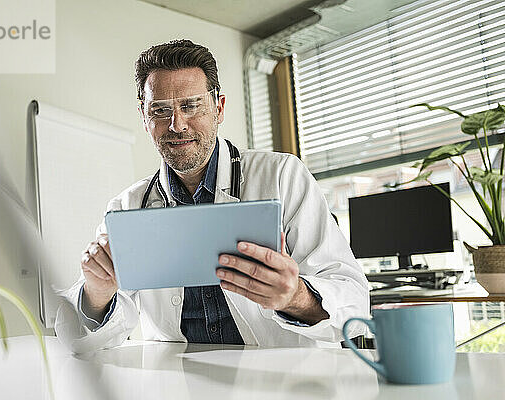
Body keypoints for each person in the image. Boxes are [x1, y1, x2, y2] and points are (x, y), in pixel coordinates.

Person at [55, 40, 369, 353]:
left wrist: (295, 296)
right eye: (160, 110)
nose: (176, 125)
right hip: (180, 381)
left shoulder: (282, 176)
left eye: (190, 106)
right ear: (143, 115)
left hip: (281, 381)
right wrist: (97, 294)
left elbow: (355, 304)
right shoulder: (126, 207)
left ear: (218, 108)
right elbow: (83, 339)